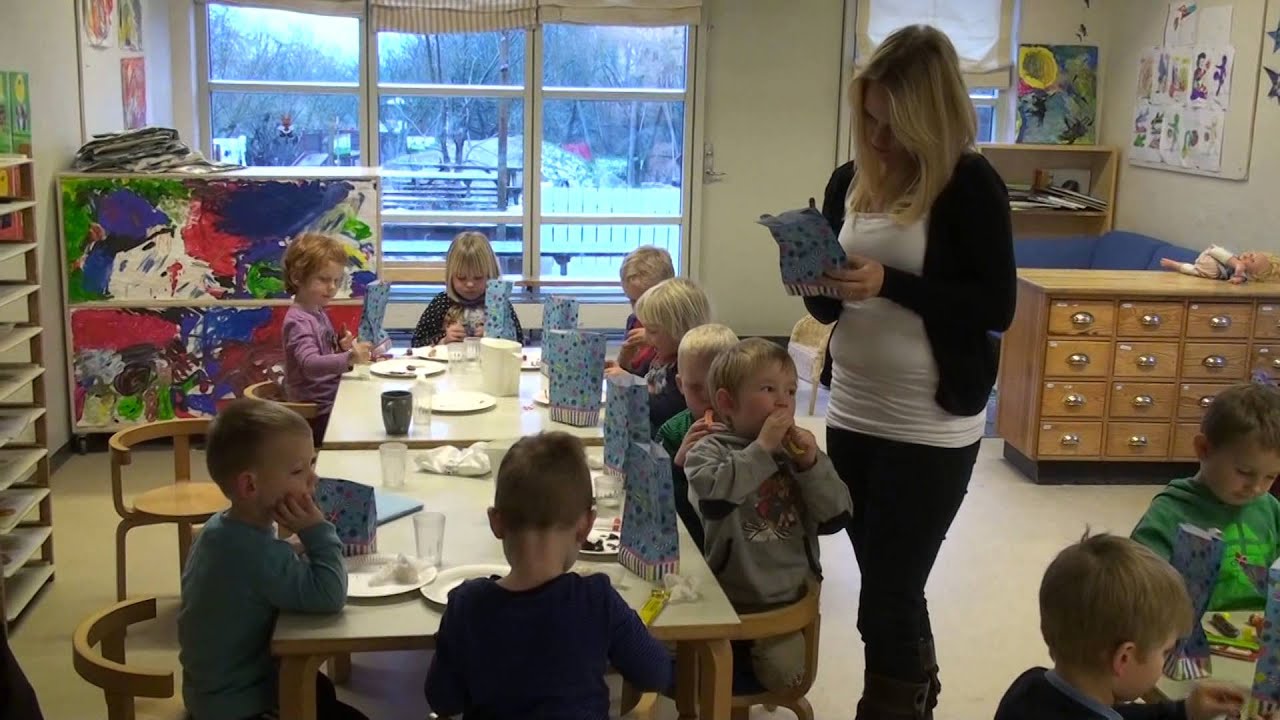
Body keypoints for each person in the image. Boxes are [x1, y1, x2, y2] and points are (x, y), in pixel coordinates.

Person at [803, 25, 1017, 718]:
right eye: (868, 119)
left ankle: (893, 705)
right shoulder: (850, 180)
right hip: (853, 413)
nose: (878, 136)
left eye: (892, 123)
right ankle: (917, 694)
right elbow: (830, 305)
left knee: (886, 595)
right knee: (890, 584)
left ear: (931, 115)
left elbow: (995, 306)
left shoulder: (969, 185)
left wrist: (889, 281)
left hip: (929, 425)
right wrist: (813, 280)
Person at [424, 432, 670, 717]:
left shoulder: (467, 604)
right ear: (586, 526)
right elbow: (656, 673)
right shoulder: (596, 600)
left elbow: (442, 700)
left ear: (496, 522)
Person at [684, 338, 852, 693]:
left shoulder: (799, 452)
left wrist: (811, 464)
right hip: (723, 595)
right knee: (690, 675)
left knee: (784, 678)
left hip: (785, 601)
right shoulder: (706, 451)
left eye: (790, 391)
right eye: (768, 389)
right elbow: (716, 500)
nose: (782, 401)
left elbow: (837, 514)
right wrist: (762, 449)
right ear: (728, 402)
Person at [178, 399, 363, 720]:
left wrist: (292, 545)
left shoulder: (220, 528)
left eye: (312, 464)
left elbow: (254, 571)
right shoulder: (257, 555)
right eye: (297, 470)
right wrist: (317, 531)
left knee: (322, 690)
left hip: (211, 693)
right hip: (240, 707)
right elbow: (330, 595)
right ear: (250, 484)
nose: (312, 480)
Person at [994, 532, 1245, 720]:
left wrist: (1184, 711)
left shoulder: (1029, 686)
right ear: (1124, 657)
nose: (1166, 660)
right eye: (1165, 651)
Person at [1131, 382, 1280, 611]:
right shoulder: (1170, 513)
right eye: (1244, 472)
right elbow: (1136, 589)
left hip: (1262, 633)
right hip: (1191, 638)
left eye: (1270, 476)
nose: (1257, 488)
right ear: (1204, 449)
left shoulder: (1269, 508)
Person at [281, 233, 373, 447]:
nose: (331, 287)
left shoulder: (317, 311)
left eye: (336, 280)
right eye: (323, 279)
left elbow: (323, 353)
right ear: (297, 278)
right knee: (370, 427)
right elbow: (310, 364)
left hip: (328, 401)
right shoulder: (298, 321)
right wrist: (349, 357)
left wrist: (340, 345)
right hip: (316, 414)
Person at [655, 323, 739, 554]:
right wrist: (678, 465)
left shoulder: (750, 428)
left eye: (718, 387)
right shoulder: (672, 432)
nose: (708, 398)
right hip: (690, 545)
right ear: (680, 385)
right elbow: (658, 501)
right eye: (695, 387)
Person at [410, 231, 524, 348]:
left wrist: (495, 337)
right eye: (461, 278)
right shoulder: (441, 303)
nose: (470, 284)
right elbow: (417, 343)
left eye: (478, 277)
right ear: (451, 276)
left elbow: (519, 342)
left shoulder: (498, 305)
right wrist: (444, 340)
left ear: (490, 275)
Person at [630, 278, 712, 434]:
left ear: (680, 330)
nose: (646, 337)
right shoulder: (658, 358)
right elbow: (640, 377)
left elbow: (667, 409)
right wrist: (623, 372)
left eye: (653, 331)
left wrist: (631, 387)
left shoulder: (685, 368)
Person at [613, 246, 676, 377]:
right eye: (632, 300)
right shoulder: (634, 321)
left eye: (643, 302)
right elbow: (631, 373)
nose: (637, 309)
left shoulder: (675, 331)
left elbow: (667, 386)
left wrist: (655, 339)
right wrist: (623, 362)